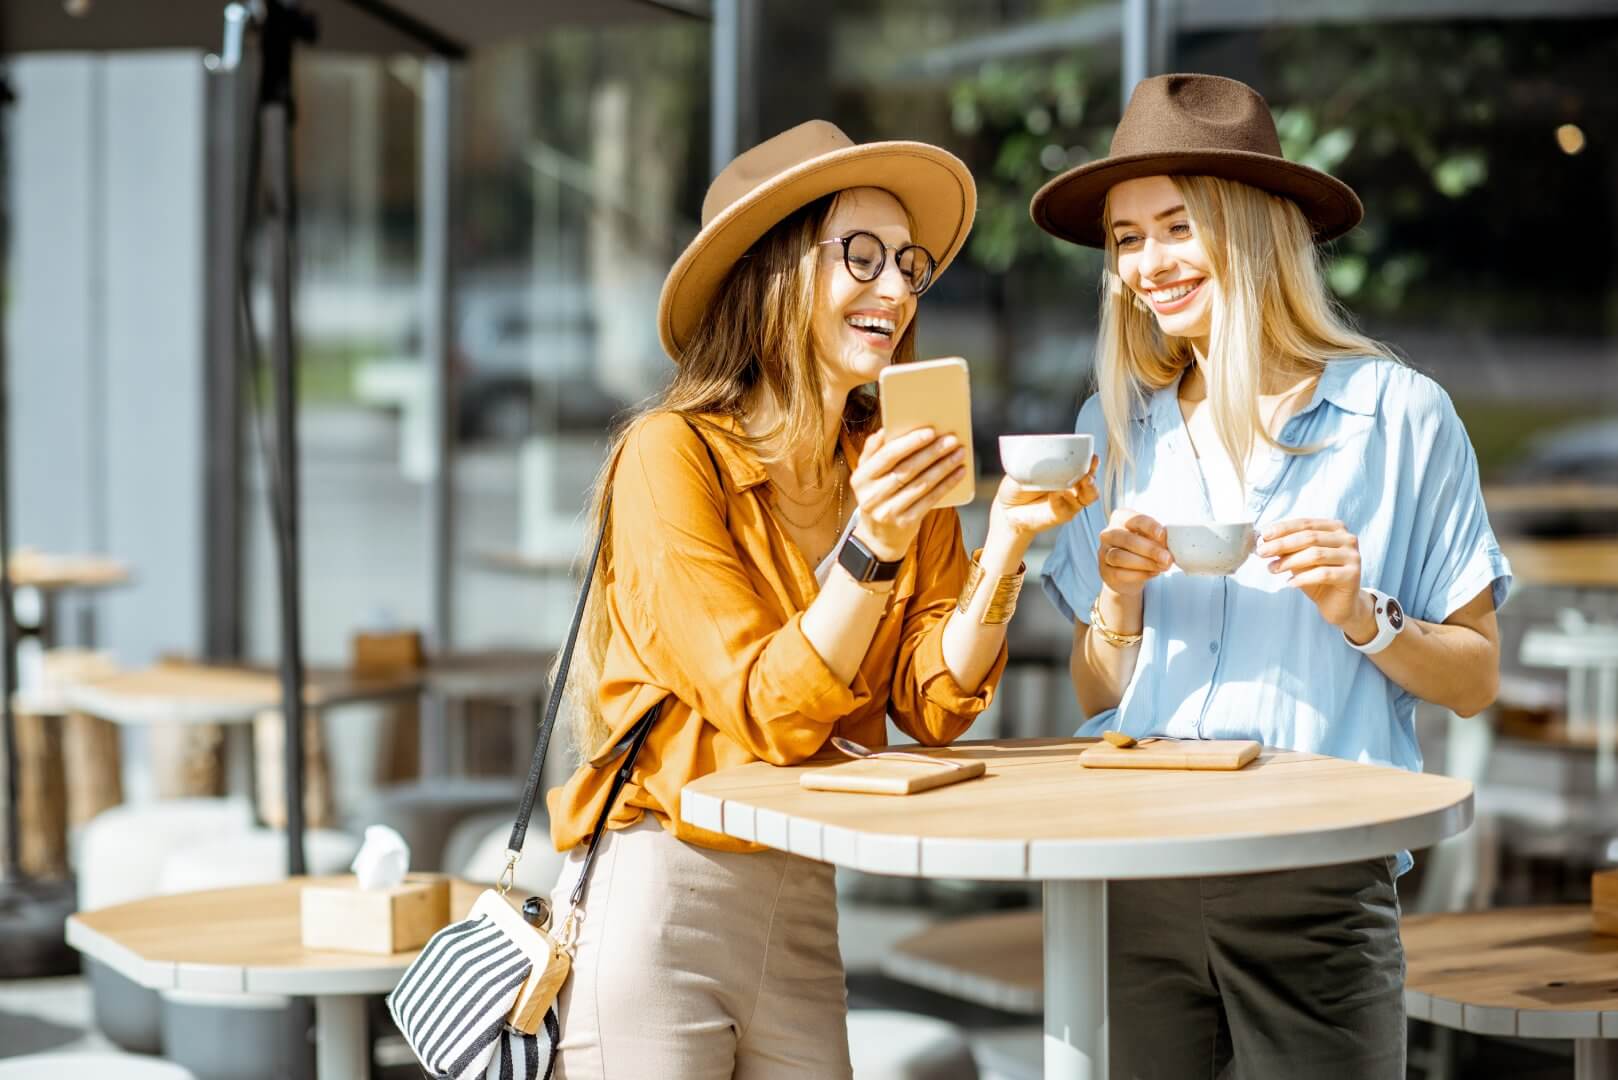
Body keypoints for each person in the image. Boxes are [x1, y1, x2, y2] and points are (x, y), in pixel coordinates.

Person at [543, 119, 1098, 1079]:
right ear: (776, 271)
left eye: (907, 263)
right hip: (664, 891)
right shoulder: (671, 458)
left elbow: (933, 702)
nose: (896, 287)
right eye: (863, 256)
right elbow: (769, 707)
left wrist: (1004, 543)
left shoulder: (884, 462)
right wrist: (871, 545)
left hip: (804, 900)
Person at [1033, 74, 1512, 1078]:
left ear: (1249, 229)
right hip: (1130, 869)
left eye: (1175, 226)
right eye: (1126, 240)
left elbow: (1472, 680)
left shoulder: (1399, 417)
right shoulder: (1110, 431)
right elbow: (1096, 692)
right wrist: (1117, 598)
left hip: (1313, 876)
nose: (1147, 264)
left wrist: (1362, 614)